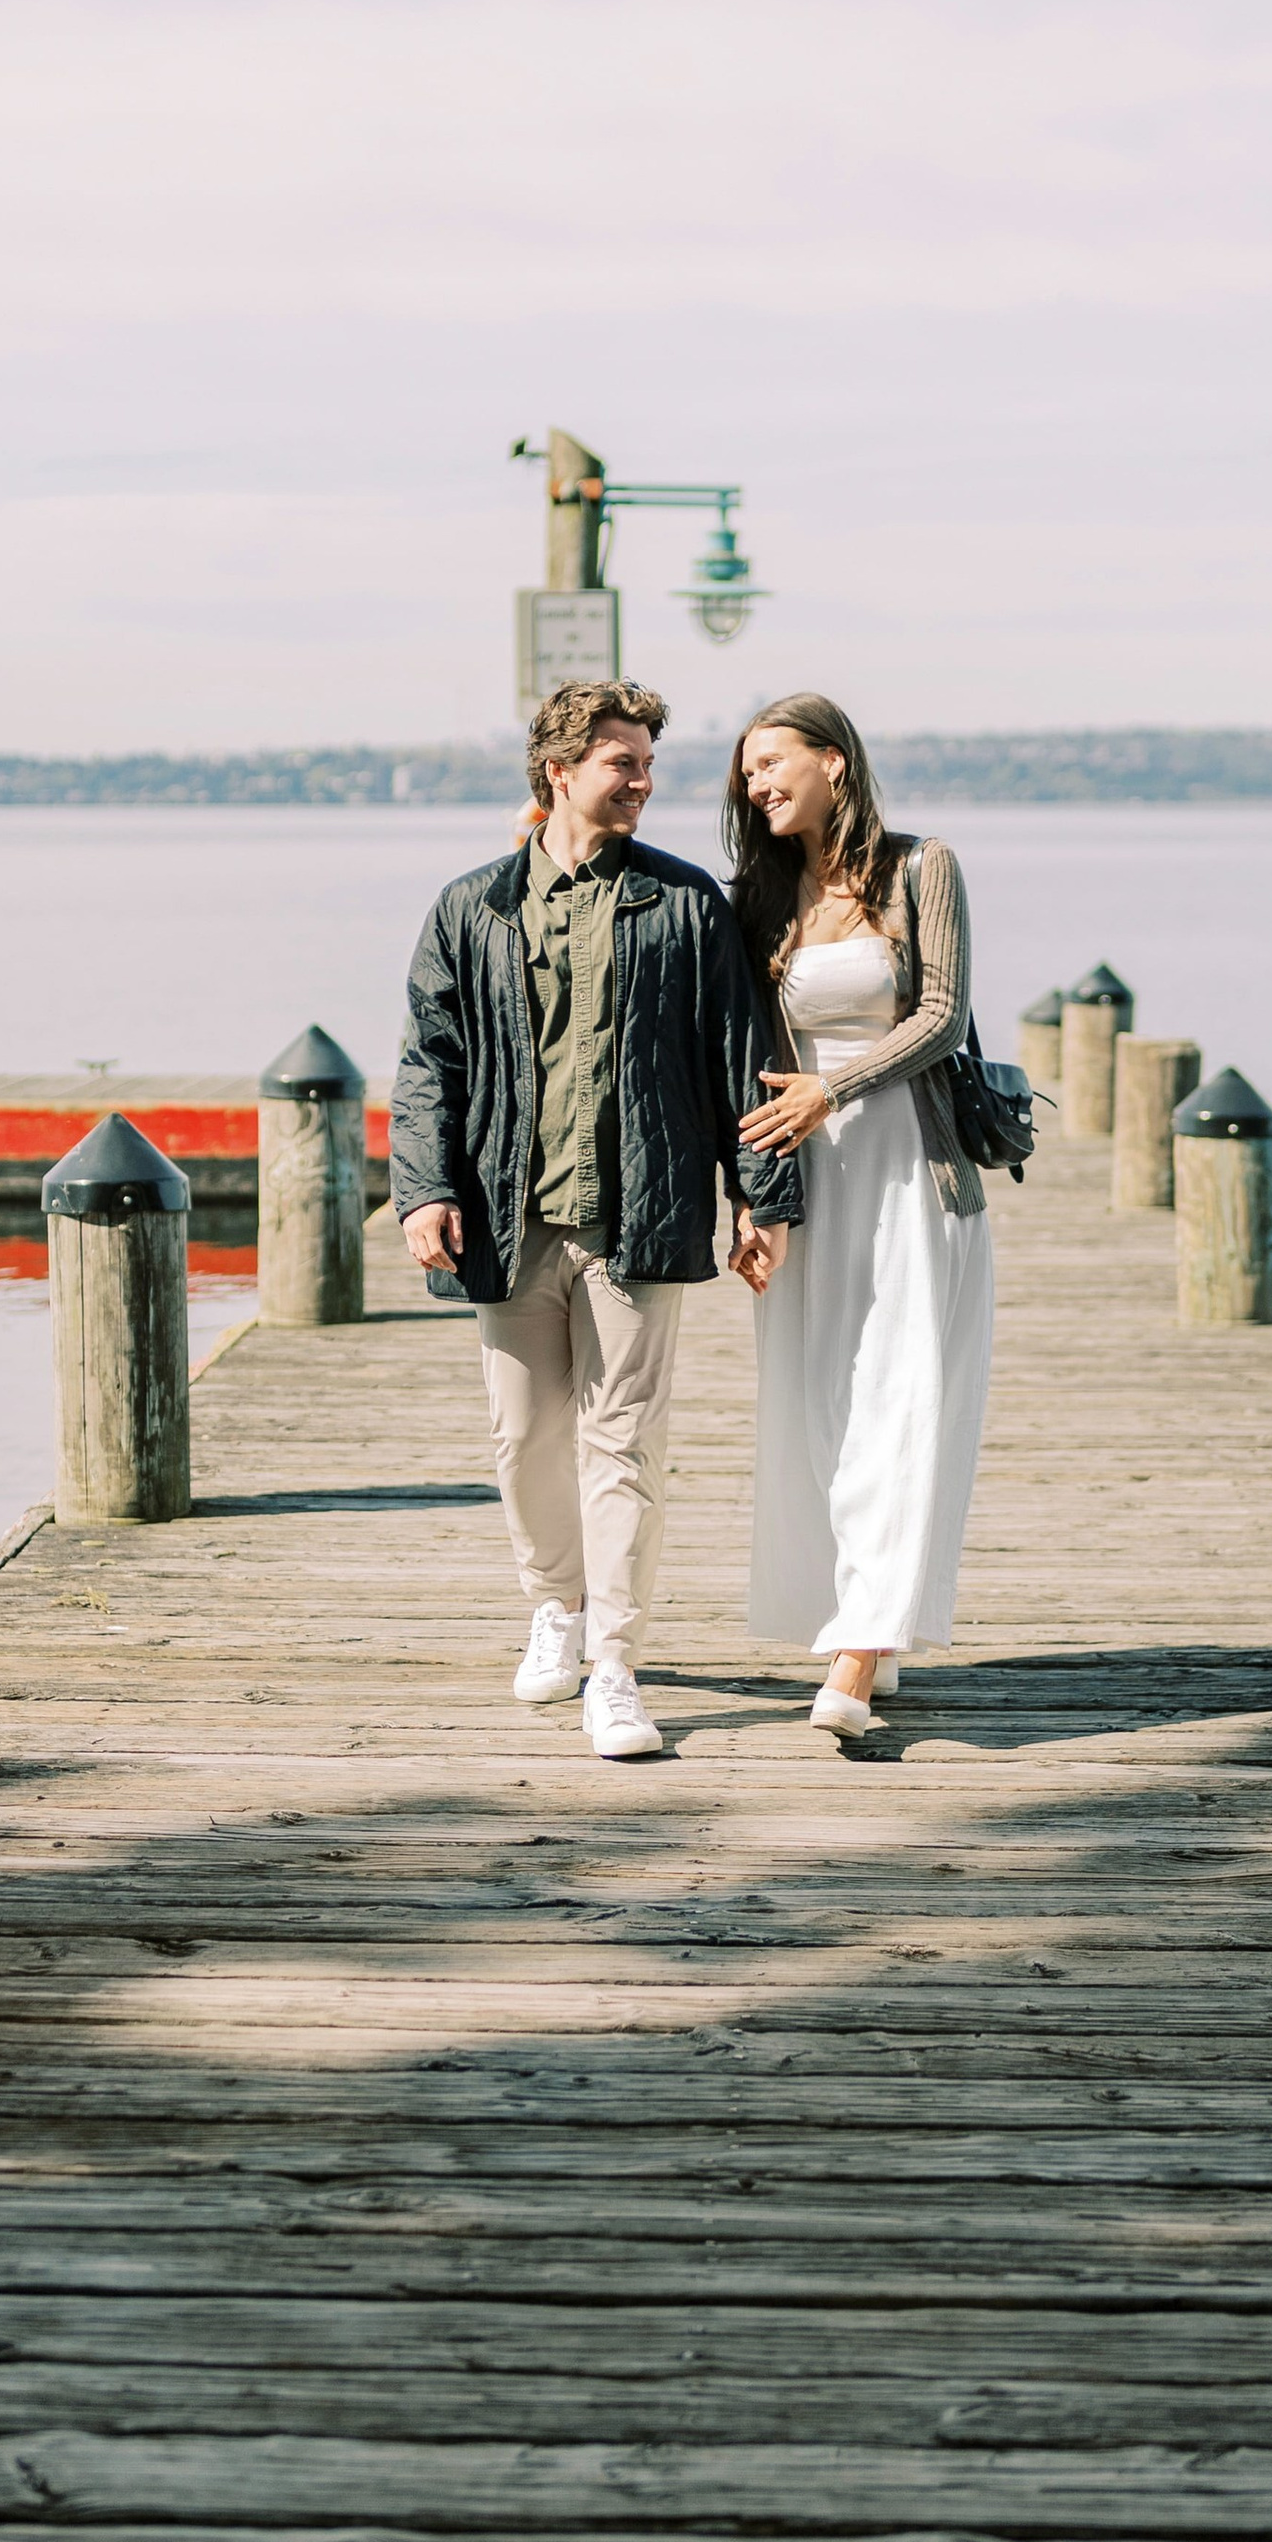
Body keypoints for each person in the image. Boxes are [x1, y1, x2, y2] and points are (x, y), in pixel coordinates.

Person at [392, 676, 803, 1760]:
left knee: (624, 1444)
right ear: (558, 770)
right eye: (622, 762)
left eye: (648, 762)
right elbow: (427, 1064)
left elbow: (736, 1063)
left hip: (642, 1214)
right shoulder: (471, 907)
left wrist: (759, 1197)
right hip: (508, 1216)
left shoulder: (682, 905)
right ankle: (556, 1608)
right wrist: (423, 1189)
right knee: (523, 1441)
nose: (642, 781)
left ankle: (614, 1666)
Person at [730, 692, 995, 1737]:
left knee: (901, 1400)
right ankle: (858, 1616)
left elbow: (942, 1015)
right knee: (823, 1404)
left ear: (833, 763)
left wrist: (831, 1092)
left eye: (771, 761)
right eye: (745, 771)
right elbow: (742, 1054)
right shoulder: (758, 895)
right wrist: (756, 1199)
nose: (755, 784)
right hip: (805, 1183)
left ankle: (857, 1655)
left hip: (908, 1174)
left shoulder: (922, 866)